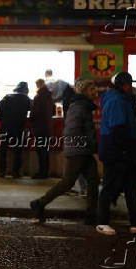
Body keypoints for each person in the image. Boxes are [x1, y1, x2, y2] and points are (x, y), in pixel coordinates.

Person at [30, 79, 99, 224]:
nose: (95, 92)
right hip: (78, 151)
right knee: (68, 182)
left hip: (83, 150)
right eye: (92, 89)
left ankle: (91, 214)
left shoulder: (83, 106)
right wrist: (88, 145)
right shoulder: (79, 106)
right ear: (85, 91)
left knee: (93, 180)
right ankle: (39, 203)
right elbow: (73, 131)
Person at [97, 72, 136, 235]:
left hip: (123, 149)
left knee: (130, 187)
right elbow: (118, 128)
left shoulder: (123, 99)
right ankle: (102, 222)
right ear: (122, 85)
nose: (131, 87)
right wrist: (124, 149)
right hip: (115, 149)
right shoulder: (116, 100)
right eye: (129, 84)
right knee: (109, 186)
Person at [0, 82, 31, 178]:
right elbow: (32, 111)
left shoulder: (7, 97)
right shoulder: (26, 99)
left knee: (3, 149)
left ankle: (2, 171)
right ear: (26, 90)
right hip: (18, 127)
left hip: (5, 127)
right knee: (17, 150)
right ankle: (15, 172)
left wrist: (3, 122)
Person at [30, 79, 55, 179]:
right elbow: (53, 112)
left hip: (39, 128)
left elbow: (34, 114)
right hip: (47, 128)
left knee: (41, 151)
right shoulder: (50, 97)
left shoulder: (38, 98)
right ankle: (45, 172)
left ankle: (42, 173)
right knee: (45, 151)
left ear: (38, 85)